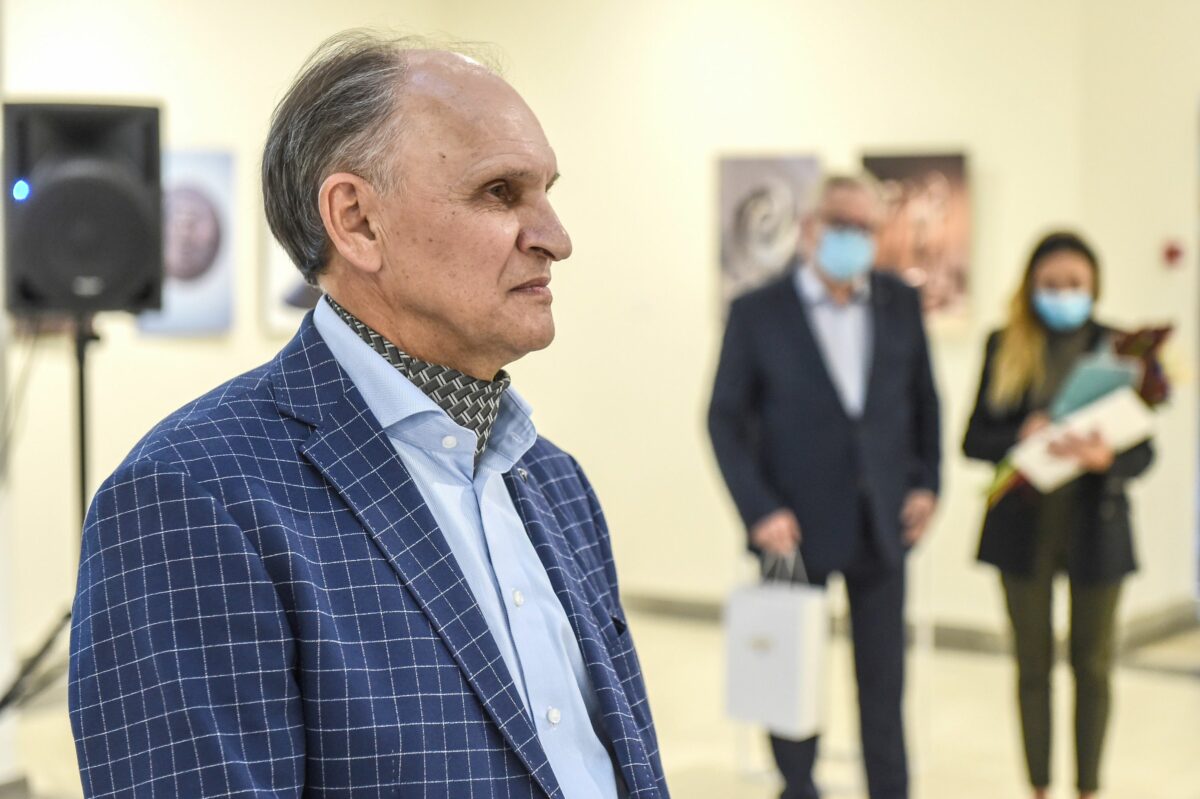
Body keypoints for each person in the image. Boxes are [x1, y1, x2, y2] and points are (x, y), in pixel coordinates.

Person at [69, 32, 668, 799]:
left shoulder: (555, 482)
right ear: (356, 221)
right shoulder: (192, 498)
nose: (556, 238)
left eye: (548, 190)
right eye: (500, 192)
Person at [708, 175, 941, 799]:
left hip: (882, 522)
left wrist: (927, 484)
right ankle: (798, 786)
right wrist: (759, 509)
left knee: (884, 682)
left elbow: (924, 402)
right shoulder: (757, 311)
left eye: (867, 228)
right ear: (811, 227)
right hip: (792, 528)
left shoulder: (899, 302)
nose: (854, 238)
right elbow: (724, 420)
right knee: (791, 674)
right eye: (842, 223)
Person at [963, 231, 1155, 799]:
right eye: (1051, 284)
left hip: (1096, 523)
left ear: (1094, 286)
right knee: (1032, 666)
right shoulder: (1005, 344)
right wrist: (1018, 435)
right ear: (1030, 286)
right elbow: (973, 439)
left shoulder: (1121, 348)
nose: (1063, 294)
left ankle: (1088, 787)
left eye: (1074, 284)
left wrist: (1106, 458)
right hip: (1023, 527)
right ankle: (1040, 786)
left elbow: (1144, 451)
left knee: (1093, 666)